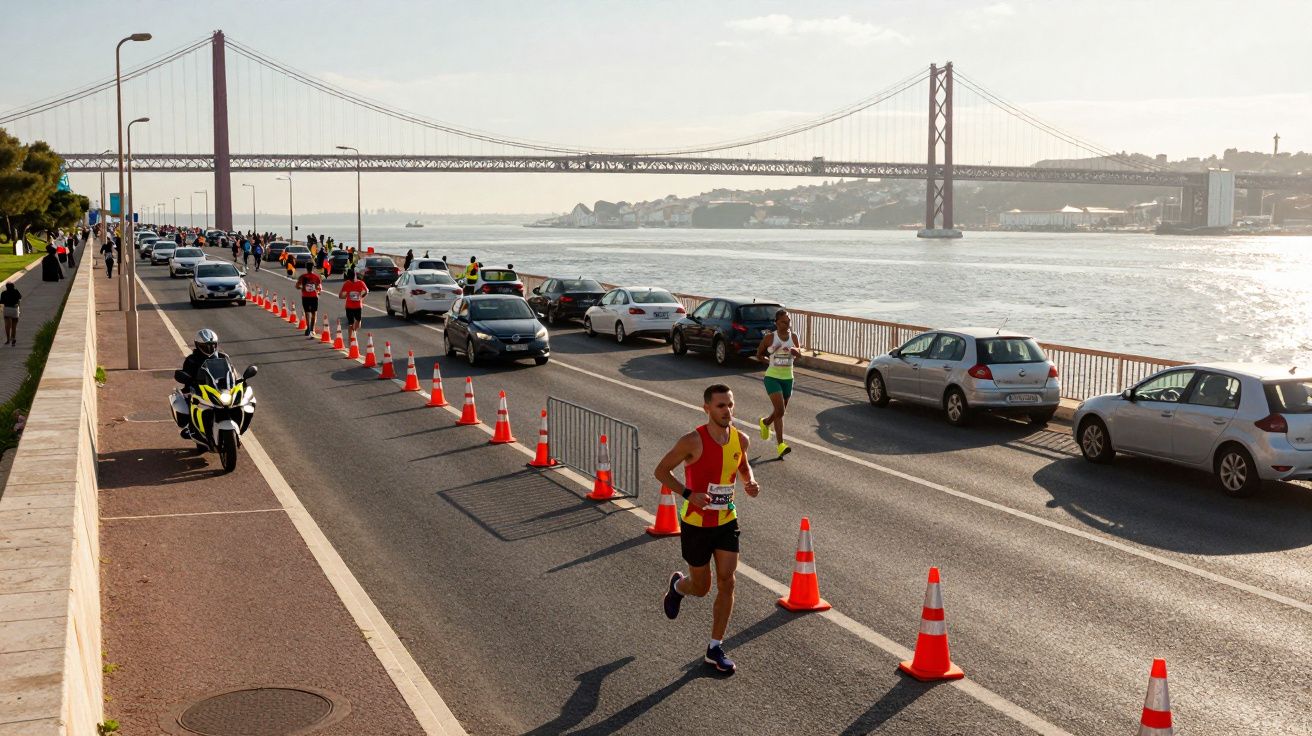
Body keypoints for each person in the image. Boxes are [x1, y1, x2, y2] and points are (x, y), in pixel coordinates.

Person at [656, 384, 759, 674]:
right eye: (720, 406)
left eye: (730, 404)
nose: (727, 411)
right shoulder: (692, 441)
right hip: (696, 524)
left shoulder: (741, 439)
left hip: (727, 520)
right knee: (701, 588)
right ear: (707, 409)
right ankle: (678, 586)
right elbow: (661, 471)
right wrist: (689, 494)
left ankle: (715, 648)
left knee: (728, 580)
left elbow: (743, 466)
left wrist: (749, 482)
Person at [755, 308, 802, 459]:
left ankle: (766, 422)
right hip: (772, 377)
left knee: (779, 412)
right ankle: (781, 445)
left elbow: (799, 356)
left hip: (788, 378)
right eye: (783, 322)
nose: (787, 324)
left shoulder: (793, 336)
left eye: (789, 321)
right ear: (776, 323)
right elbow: (759, 354)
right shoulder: (770, 338)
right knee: (780, 411)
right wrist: (769, 361)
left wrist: (796, 352)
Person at [174, 329, 228, 440]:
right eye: (206, 346)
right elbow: (185, 375)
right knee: (188, 400)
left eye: (212, 345)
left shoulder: (223, 357)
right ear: (198, 345)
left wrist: (237, 380)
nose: (210, 348)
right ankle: (191, 427)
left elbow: (231, 372)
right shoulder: (191, 360)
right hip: (196, 389)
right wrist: (188, 380)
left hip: (219, 388)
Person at [295, 262, 324, 337]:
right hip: (314, 297)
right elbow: (320, 287)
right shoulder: (316, 277)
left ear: (306, 268)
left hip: (305, 297)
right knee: (314, 313)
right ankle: (312, 329)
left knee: (307, 312)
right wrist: (318, 291)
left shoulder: (302, 276)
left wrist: (303, 288)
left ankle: (308, 328)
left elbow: (297, 286)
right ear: (313, 268)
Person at [338, 268, 368, 338]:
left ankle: (353, 333)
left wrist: (361, 297)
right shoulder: (347, 283)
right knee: (351, 323)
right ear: (355, 275)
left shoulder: (360, 283)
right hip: (350, 307)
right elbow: (340, 295)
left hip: (356, 306)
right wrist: (348, 296)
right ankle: (350, 338)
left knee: (357, 323)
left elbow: (366, 291)